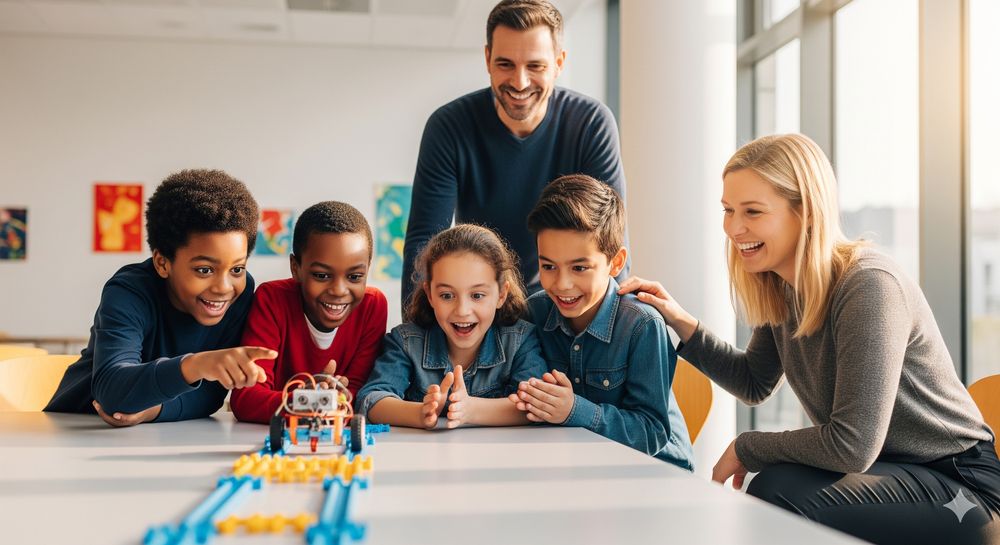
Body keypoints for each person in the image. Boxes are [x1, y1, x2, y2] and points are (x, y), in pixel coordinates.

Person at [620, 133, 1000, 545]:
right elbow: (753, 381)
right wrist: (682, 323)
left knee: (777, 491)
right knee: (777, 489)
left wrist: (748, 446)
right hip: (890, 473)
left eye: (752, 211)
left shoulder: (869, 286)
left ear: (806, 214)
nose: (733, 227)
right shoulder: (786, 287)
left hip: (961, 489)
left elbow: (851, 445)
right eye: (728, 210)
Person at [401, 0, 629, 306]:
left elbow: (609, 240)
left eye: (535, 66)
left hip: (560, 302)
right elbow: (424, 247)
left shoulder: (590, 123)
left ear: (559, 62)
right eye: (505, 64)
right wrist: (418, 340)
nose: (519, 82)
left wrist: (622, 330)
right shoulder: (449, 127)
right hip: (483, 301)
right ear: (487, 58)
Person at [45, 169, 276, 426]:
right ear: (162, 263)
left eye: (237, 269)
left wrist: (153, 410)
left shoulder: (240, 295)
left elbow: (210, 395)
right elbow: (112, 394)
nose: (224, 287)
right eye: (204, 270)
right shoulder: (129, 291)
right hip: (76, 427)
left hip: (161, 435)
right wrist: (197, 365)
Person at [509, 175, 694, 470]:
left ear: (616, 262)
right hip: (575, 467)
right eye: (548, 266)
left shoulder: (642, 325)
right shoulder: (533, 313)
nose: (562, 284)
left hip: (655, 471)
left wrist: (574, 410)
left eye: (580, 267)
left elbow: (651, 432)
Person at [356, 224, 547, 429]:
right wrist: (419, 412)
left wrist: (470, 409)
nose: (462, 310)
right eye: (447, 296)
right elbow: (370, 400)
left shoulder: (520, 340)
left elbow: (536, 404)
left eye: (477, 296)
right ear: (430, 295)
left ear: (501, 294)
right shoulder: (406, 342)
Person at [230, 201, 388, 424]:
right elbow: (245, 398)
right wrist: (306, 401)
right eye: (322, 275)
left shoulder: (373, 305)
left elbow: (359, 396)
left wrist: (325, 400)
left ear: (367, 269)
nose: (338, 291)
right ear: (296, 268)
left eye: (354, 277)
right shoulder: (272, 299)